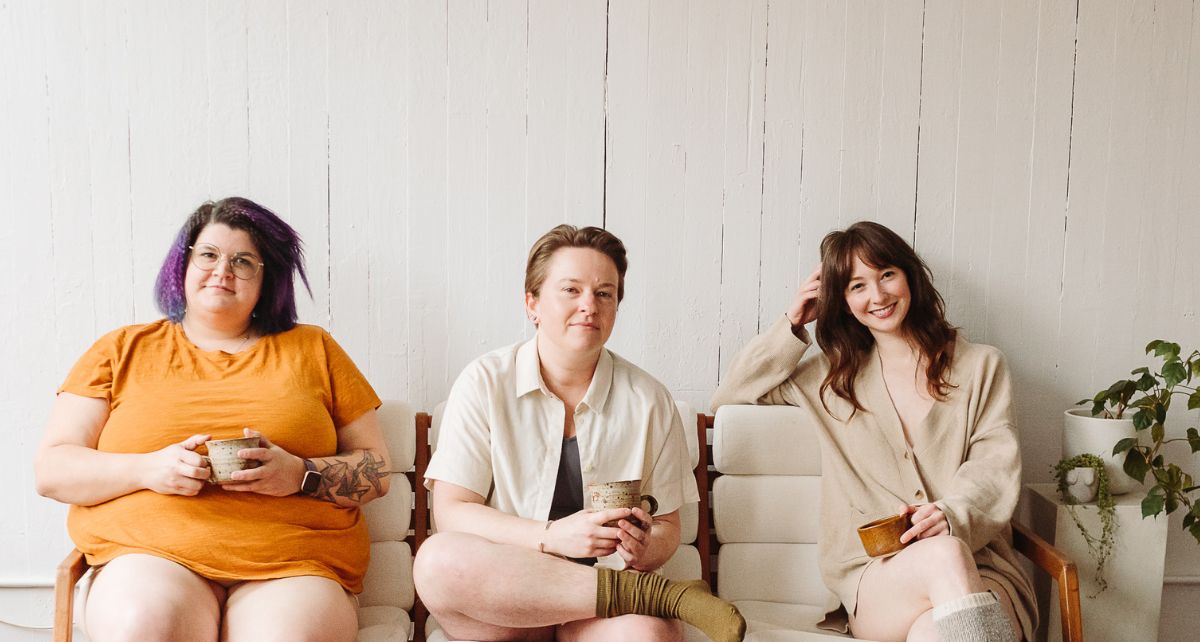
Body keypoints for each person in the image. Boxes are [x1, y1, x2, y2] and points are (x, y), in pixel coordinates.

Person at [34, 197, 391, 642]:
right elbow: (52, 470)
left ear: (267, 280)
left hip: (293, 565)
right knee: (142, 624)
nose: (222, 271)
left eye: (243, 261)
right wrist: (148, 469)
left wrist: (300, 473)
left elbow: (376, 473)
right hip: (149, 556)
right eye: (208, 255)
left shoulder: (314, 348)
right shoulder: (120, 349)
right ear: (181, 266)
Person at [413, 224, 744, 642]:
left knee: (646, 637)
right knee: (436, 561)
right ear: (531, 303)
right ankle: (655, 596)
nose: (589, 305)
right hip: (506, 600)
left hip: (600, 618)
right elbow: (452, 511)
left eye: (604, 293)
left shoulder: (649, 399)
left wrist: (644, 547)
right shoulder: (483, 382)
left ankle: (634, 595)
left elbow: (668, 528)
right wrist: (552, 537)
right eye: (571, 290)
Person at [711, 221, 1036, 642]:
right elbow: (730, 393)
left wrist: (951, 515)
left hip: (983, 568)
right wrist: (793, 323)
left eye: (886, 275)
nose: (878, 296)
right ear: (842, 302)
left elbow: (994, 465)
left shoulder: (981, 366)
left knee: (934, 631)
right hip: (878, 578)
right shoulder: (829, 379)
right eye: (856, 286)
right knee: (943, 556)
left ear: (909, 277)